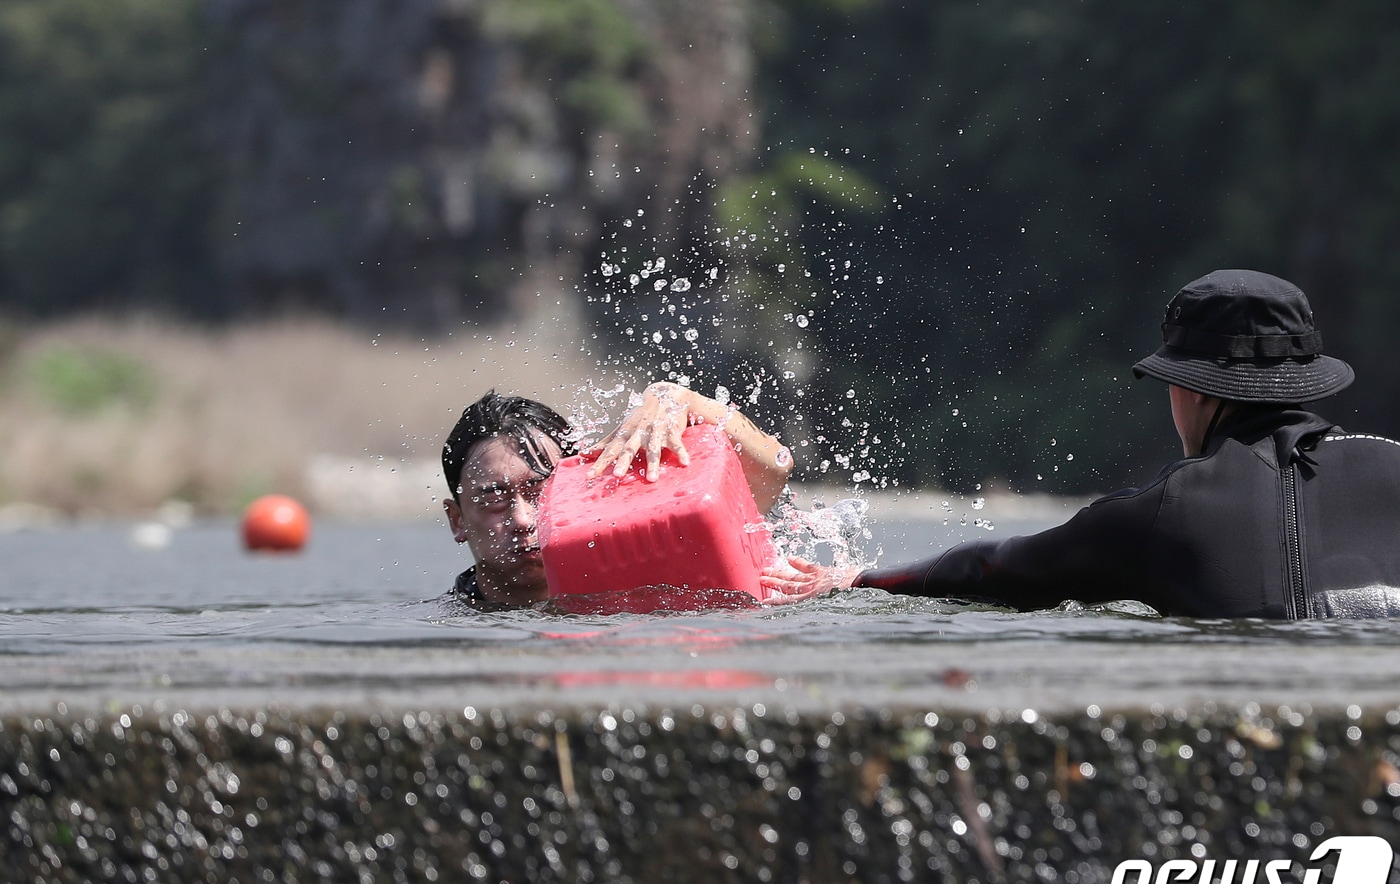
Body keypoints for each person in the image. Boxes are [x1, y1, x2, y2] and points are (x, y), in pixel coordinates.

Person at [765, 269, 1400, 619]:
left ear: (1197, 391)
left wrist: (858, 577)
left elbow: (998, 569)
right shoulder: (1392, 463)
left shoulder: (1162, 514)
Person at [442, 381, 793, 609]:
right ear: (457, 521)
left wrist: (677, 398)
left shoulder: (648, 537)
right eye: (493, 500)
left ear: (574, 487)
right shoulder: (449, 631)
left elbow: (775, 468)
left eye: (539, 490)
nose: (521, 519)